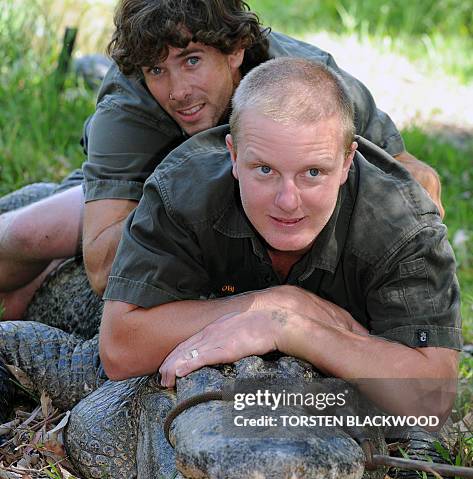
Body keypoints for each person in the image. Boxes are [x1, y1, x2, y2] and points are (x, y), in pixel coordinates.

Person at [0, 0, 443, 322]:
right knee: (32, 233)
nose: (177, 91)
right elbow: (103, 269)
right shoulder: (129, 103)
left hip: (240, 194)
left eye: (191, 61)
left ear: (235, 50)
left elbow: (414, 175)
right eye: (158, 70)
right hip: (140, 192)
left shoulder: (309, 78)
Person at [99, 58, 461, 421]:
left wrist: (286, 327)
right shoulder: (182, 189)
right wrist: (274, 301)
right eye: (265, 170)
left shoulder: (401, 222)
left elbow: (433, 399)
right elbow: (119, 348)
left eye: (313, 172)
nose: (288, 201)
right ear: (234, 156)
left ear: (347, 161)